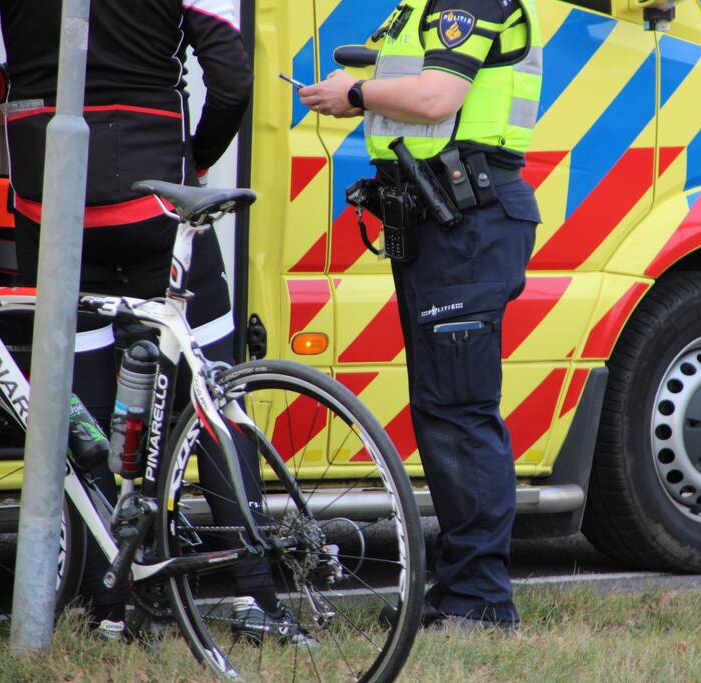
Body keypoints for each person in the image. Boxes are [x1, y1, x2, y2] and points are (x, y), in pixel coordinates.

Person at [0, 0, 309, 646]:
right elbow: (232, 79)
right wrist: (196, 161)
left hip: (53, 197)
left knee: (88, 410)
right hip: (152, 193)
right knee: (213, 396)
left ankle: (111, 606)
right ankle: (253, 594)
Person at [301, 0, 543, 630]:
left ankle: (484, 603)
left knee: (460, 412)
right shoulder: (419, 9)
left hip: (469, 220)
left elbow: (437, 97)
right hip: (441, 221)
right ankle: (458, 590)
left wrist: (353, 93)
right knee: (442, 410)